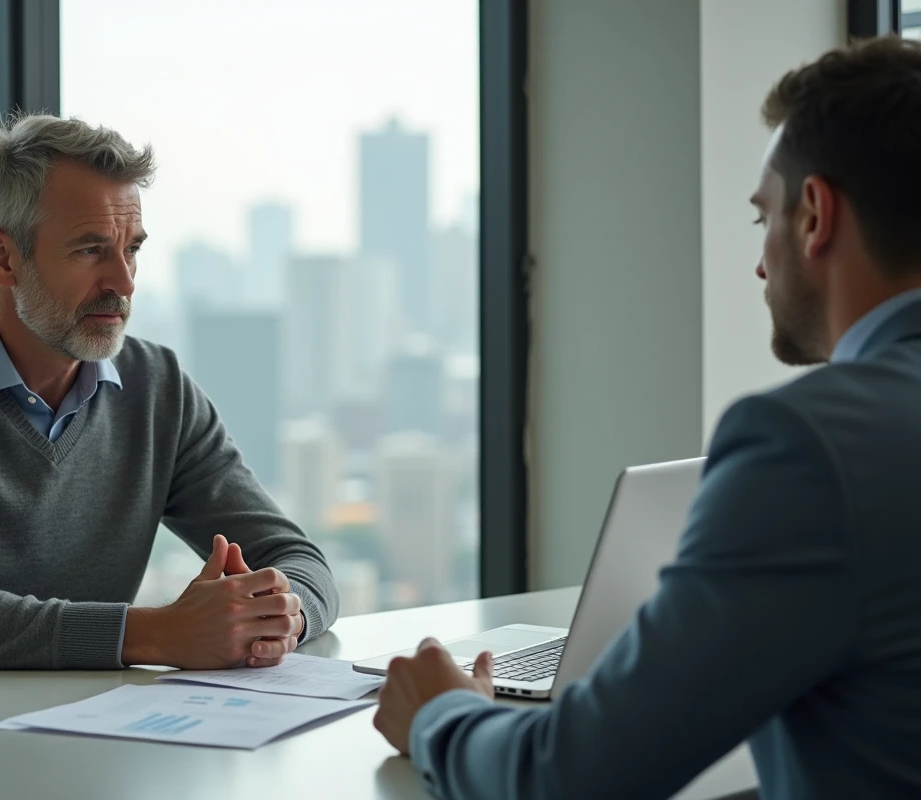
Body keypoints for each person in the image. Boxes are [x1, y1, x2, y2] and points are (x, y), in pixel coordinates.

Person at [373, 36, 921, 799]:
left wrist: (441, 712)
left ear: (815, 216)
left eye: (762, 217)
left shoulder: (810, 447)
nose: (760, 264)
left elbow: (569, 778)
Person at [0, 114, 339, 682]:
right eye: (91, 250)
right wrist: (162, 633)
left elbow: (299, 563)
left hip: (82, 722)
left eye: (131, 249)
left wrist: (282, 616)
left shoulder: (157, 388)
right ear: (1, 257)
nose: (124, 282)